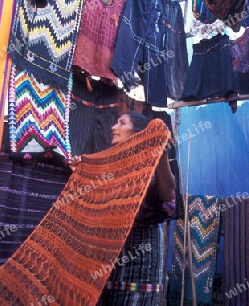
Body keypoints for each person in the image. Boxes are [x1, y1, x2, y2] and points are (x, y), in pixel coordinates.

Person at [70, 111, 176, 305]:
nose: (114, 127)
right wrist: (80, 175)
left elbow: (169, 199)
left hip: (142, 250)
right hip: (110, 252)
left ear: (137, 133)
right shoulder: (108, 166)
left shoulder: (151, 165)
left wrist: (160, 153)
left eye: (121, 123)